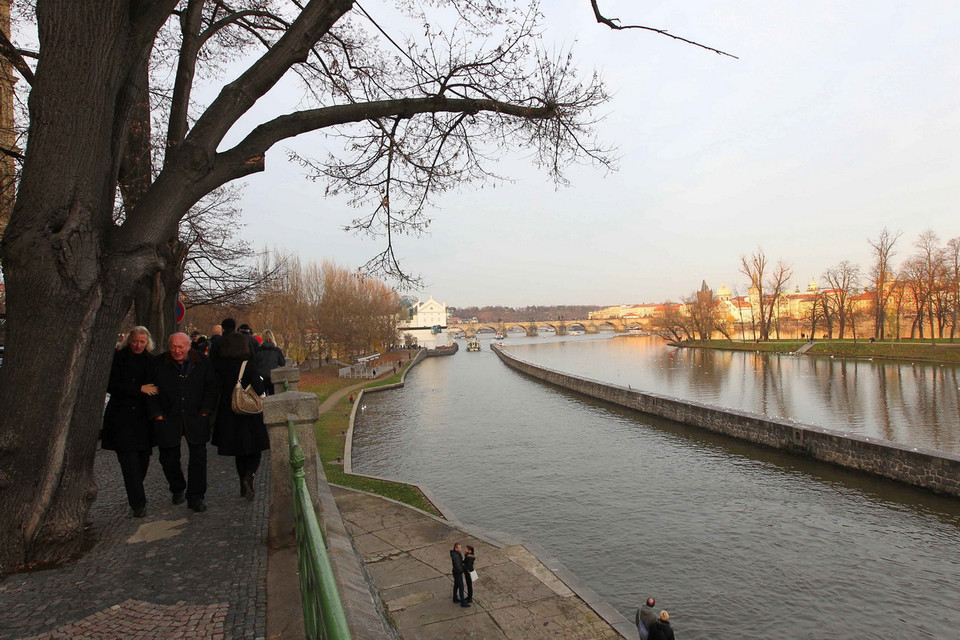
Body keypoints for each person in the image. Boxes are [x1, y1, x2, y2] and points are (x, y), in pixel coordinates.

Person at [148, 332, 217, 512]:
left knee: (198, 459)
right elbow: (151, 390)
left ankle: (196, 496)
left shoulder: (202, 362)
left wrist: (205, 411)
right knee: (168, 458)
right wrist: (157, 414)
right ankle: (177, 487)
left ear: (189, 346)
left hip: (196, 416)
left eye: (180, 347)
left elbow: (211, 388)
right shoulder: (159, 363)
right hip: (169, 417)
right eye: (173, 347)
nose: (177, 351)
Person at [101, 326, 157, 518]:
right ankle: (138, 503)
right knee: (129, 462)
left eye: (142, 342)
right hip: (122, 418)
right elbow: (112, 385)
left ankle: (136, 491)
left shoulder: (150, 361)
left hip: (143, 420)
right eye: (135, 341)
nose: (138, 345)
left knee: (142, 460)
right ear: (129, 340)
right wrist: (138, 388)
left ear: (147, 342)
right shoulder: (118, 358)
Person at [212, 332, 270, 501]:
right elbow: (259, 387)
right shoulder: (248, 364)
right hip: (248, 412)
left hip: (228, 412)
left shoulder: (220, 365)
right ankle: (249, 475)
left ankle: (242, 484)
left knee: (239, 451)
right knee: (255, 449)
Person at [254, 330, 286, 395]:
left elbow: (254, 363)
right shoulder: (277, 350)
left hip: (261, 377)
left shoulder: (258, 350)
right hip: (273, 377)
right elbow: (282, 363)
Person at [450, 543, 469, 607]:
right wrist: (462, 570)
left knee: (456, 585)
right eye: (459, 548)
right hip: (457, 573)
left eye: (460, 547)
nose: (460, 549)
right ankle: (463, 602)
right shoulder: (455, 556)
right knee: (461, 587)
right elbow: (457, 565)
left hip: (456, 572)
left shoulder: (457, 554)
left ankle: (455, 598)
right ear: (456, 548)